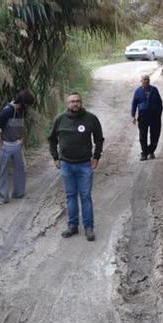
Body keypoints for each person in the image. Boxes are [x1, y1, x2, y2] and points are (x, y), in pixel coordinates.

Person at [48, 92, 104, 241]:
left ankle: (89, 228)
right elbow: (52, 139)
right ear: (68, 104)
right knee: (70, 196)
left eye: (78, 101)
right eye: (72, 101)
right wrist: (55, 157)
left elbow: (99, 139)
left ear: (81, 102)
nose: (75, 104)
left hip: (85, 164)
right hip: (66, 164)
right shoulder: (60, 119)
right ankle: (72, 226)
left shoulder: (90, 118)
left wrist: (96, 156)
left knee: (85, 196)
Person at [0, 90, 34, 205]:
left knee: (21, 169)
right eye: (27, 104)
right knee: (3, 171)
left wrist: (22, 140)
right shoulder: (7, 111)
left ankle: (19, 193)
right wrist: (1, 143)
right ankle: (3, 197)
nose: (28, 107)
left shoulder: (21, 110)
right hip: (5, 145)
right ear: (22, 102)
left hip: (17, 144)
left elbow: (22, 126)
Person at [131, 74, 163, 161]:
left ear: (149, 81)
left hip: (154, 117)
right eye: (144, 79)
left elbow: (160, 103)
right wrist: (133, 116)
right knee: (143, 136)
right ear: (141, 81)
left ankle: (151, 150)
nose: (146, 81)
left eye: (147, 79)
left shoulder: (154, 90)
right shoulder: (138, 91)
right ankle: (144, 153)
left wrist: (159, 114)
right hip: (143, 117)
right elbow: (134, 104)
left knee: (155, 135)